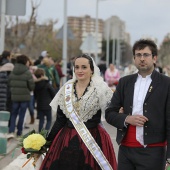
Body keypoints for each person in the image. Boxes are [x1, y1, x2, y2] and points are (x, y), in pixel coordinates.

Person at [40, 54, 117, 170]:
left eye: (84, 67)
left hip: (93, 140)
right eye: (77, 67)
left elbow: (111, 114)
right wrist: (46, 143)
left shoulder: (101, 89)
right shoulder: (66, 88)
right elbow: (60, 120)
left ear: (92, 69)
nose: (80, 71)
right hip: (66, 140)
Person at [105, 39, 170, 170]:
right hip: (125, 151)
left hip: (153, 152)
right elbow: (109, 113)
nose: (142, 58)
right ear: (134, 58)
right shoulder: (124, 82)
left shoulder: (166, 83)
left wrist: (169, 156)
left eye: (146, 55)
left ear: (154, 58)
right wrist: (127, 119)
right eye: (138, 55)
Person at [8, 55, 35, 138]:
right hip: (25, 97)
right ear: (24, 61)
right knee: (22, 114)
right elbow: (31, 86)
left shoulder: (13, 71)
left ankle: (11, 131)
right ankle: (19, 132)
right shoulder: (27, 72)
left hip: (14, 96)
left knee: (13, 114)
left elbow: (9, 83)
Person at [34, 68, 56, 132]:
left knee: (41, 120)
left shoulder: (35, 85)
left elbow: (35, 95)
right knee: (49, 120)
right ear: (42, 75)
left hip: (39, 104)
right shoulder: (47, 84)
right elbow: (53, 93)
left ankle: (40, 133)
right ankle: (46, 133)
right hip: (47, 105)